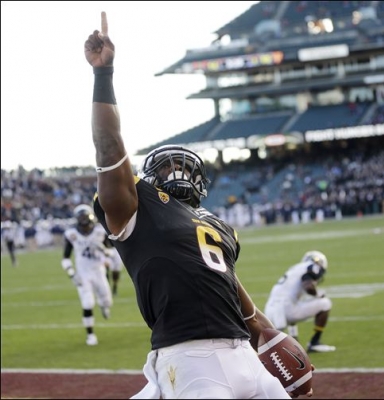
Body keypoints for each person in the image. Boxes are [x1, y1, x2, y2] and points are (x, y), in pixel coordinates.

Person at [84, 12, 312, 399]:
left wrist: (269, 335)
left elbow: (232, 290)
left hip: (243, 355)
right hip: (188, 358)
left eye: (184, 166)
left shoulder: (218, 224)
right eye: (169, 166)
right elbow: (108, 146)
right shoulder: (137, 206)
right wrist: (103, 75)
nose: (179, 173)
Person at [61, 204, 114, 346]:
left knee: (107, 301)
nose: (84, 222)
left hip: (99, 271)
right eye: (81, 218)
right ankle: (90, 335)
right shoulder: (71, 234)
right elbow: (65, 258)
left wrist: (104, 250)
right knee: (88, 303)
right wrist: (72, 274)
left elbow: (112, 253)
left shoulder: (100, 231)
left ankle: (104, 306)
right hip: (83, 273)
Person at [265, 250, 336, 353]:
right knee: (325, 303)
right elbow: (308, 286)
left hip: (270, 309)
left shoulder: (295, 268)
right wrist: (318, 294)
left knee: (272, 349)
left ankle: (294, 340)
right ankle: (314, 343)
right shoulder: (312, 266)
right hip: (285, 309)